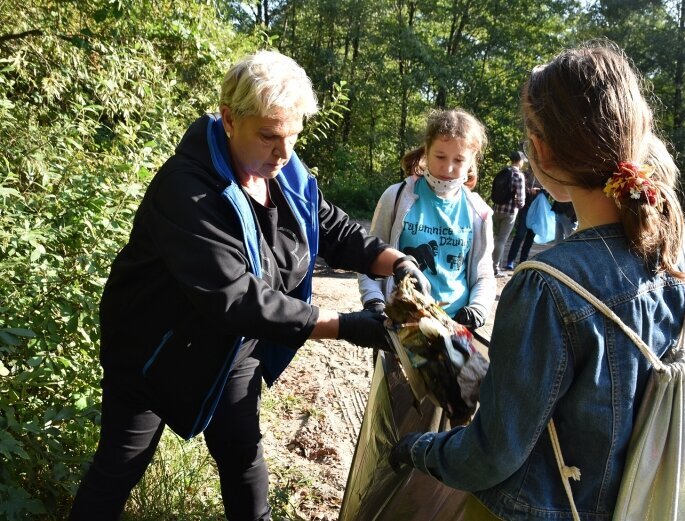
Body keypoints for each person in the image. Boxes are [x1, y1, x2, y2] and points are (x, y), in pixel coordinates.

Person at [69, 50, 430, 521]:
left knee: (243, 457)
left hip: (232, 349)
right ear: (228, 119)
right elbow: (235, 297)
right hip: (153, 351)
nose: (283, 153)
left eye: (294, 136)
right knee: (120, 464)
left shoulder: (286, 173)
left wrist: (397, 261)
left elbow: (334, 229)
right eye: (268, 137)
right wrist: (345, 325)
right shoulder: (188, 190)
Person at [388, 41, 685, 519]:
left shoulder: (546, 285)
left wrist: (420, 449)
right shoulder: (678, 253)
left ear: (541, 150)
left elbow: (493, 455)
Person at [358, 108, 496, 331]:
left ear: (471, 161)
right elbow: (369, 256)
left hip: (453, 326)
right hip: (400, 323)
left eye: (459, 159)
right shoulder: (396, 197)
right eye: (440, 156)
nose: (448, 168)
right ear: (426, 151)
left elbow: (484, 275)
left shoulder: (479, 212)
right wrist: (374, 301)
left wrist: (478, 309)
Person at [490, 151, 526, 276]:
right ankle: (494, 268)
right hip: (510, 212)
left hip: (497, 209)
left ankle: (489, 264)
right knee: (501, 240)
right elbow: (521, 199)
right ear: (520, 160)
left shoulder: (503, 171)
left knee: (494, 238)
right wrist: (520, 205)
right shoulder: (518, 175)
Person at [503, 159, 541, 270]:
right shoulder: (525, 174)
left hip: (537, 209)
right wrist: (530, 191)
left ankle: (523, 261)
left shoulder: (544, 176)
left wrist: (540, 191)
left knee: (530, 236)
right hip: (525, 208)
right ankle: (510, 260)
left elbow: (548, 191)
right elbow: (520, 189)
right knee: (520, 234)